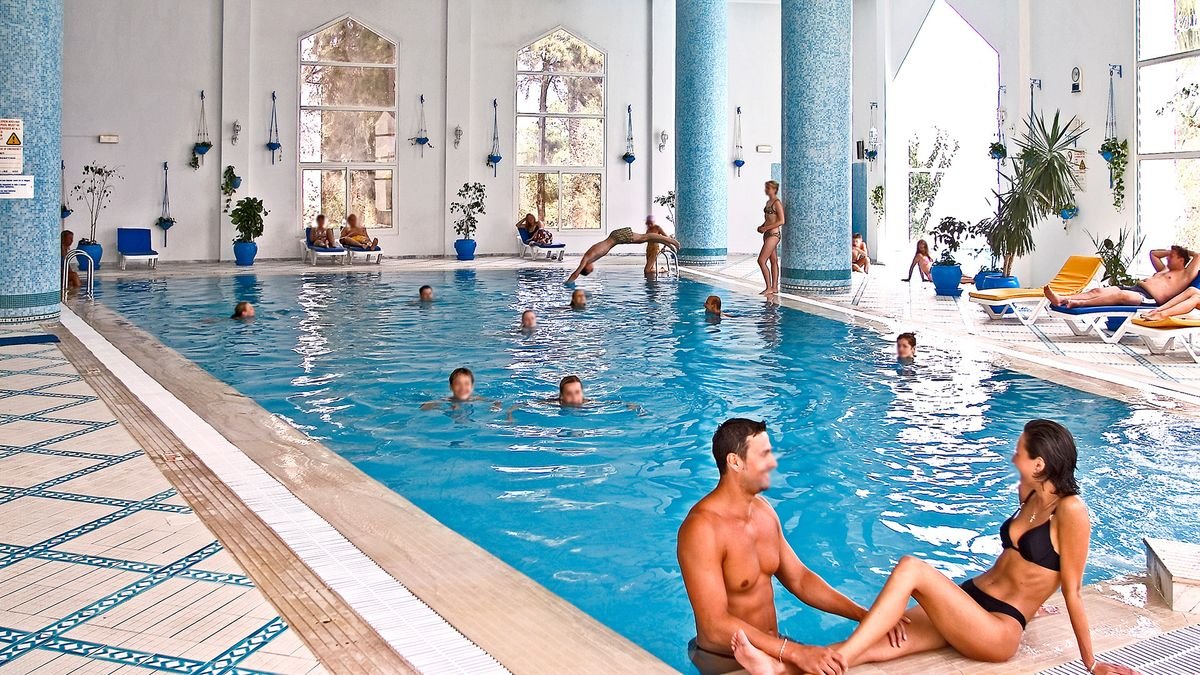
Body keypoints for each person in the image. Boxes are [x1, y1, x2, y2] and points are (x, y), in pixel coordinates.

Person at [729, 420, 1135, 675]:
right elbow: (1019, 561)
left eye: (1020, 450)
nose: (1013, 454)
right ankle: (779, 670)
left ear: (1040, 464)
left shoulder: (1071, 511)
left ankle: (825, 660)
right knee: (883, 644)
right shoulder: (1028, 492)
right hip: (971, 600)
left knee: (912, 568)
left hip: (998, 628)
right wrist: (1037, 596)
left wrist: (1091, 663)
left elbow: (1072, 588)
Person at [678, 418, 902, 675]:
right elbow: (713, 627)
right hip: (725, 659)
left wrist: (864, 615)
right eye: (764, 454)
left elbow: (800, 579)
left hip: (774, 650)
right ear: (735, 462)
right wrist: (794, 652)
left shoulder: (764, 512)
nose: (773, 463)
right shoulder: (702, 529)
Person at [1045, 245, 1200, 308]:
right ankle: (1062, 298)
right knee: (1098, 291)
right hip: (1135, 288)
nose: (1167, 258)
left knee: (1121, 296)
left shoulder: (1185, 275)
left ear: (1181, 260)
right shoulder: (1164, 269)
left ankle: (1078, 304)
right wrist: (1172, 251)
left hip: (1149, 298)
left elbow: (1198, 256)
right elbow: (1153, 254)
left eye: (1172, 256)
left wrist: (1185, 252)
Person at [565, 227, 681, 283]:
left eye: (590, 270)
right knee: (644, 238)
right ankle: (668, 243)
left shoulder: (586, 259)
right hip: (616, 238)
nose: (592, 268)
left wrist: (567, 283)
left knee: (644, 237)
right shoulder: (589, 259)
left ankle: (671, 241)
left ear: (586, 268)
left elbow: (575, 274)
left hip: (616, 238)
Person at [422, 368, 501, 410]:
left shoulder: (476, 399)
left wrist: (495, 407)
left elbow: (496, 401)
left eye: (466, 384)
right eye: (458, 384)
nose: (463, 387)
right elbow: (427, 405)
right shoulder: (448, 400)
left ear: (472, 387)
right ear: (451, 387)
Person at [756, 181, 784, 294]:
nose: (766, 190)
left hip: (774, 235)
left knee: (761, 260)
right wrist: (762, 226)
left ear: (774, 189)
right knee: (773, 260)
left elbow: (781, 221)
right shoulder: (768, 202)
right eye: (766, 188)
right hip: (767, 234)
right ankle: (774, 287)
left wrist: (766, 228)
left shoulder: (777, 203)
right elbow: (769, 219)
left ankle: (769, 287)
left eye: (768, 188)